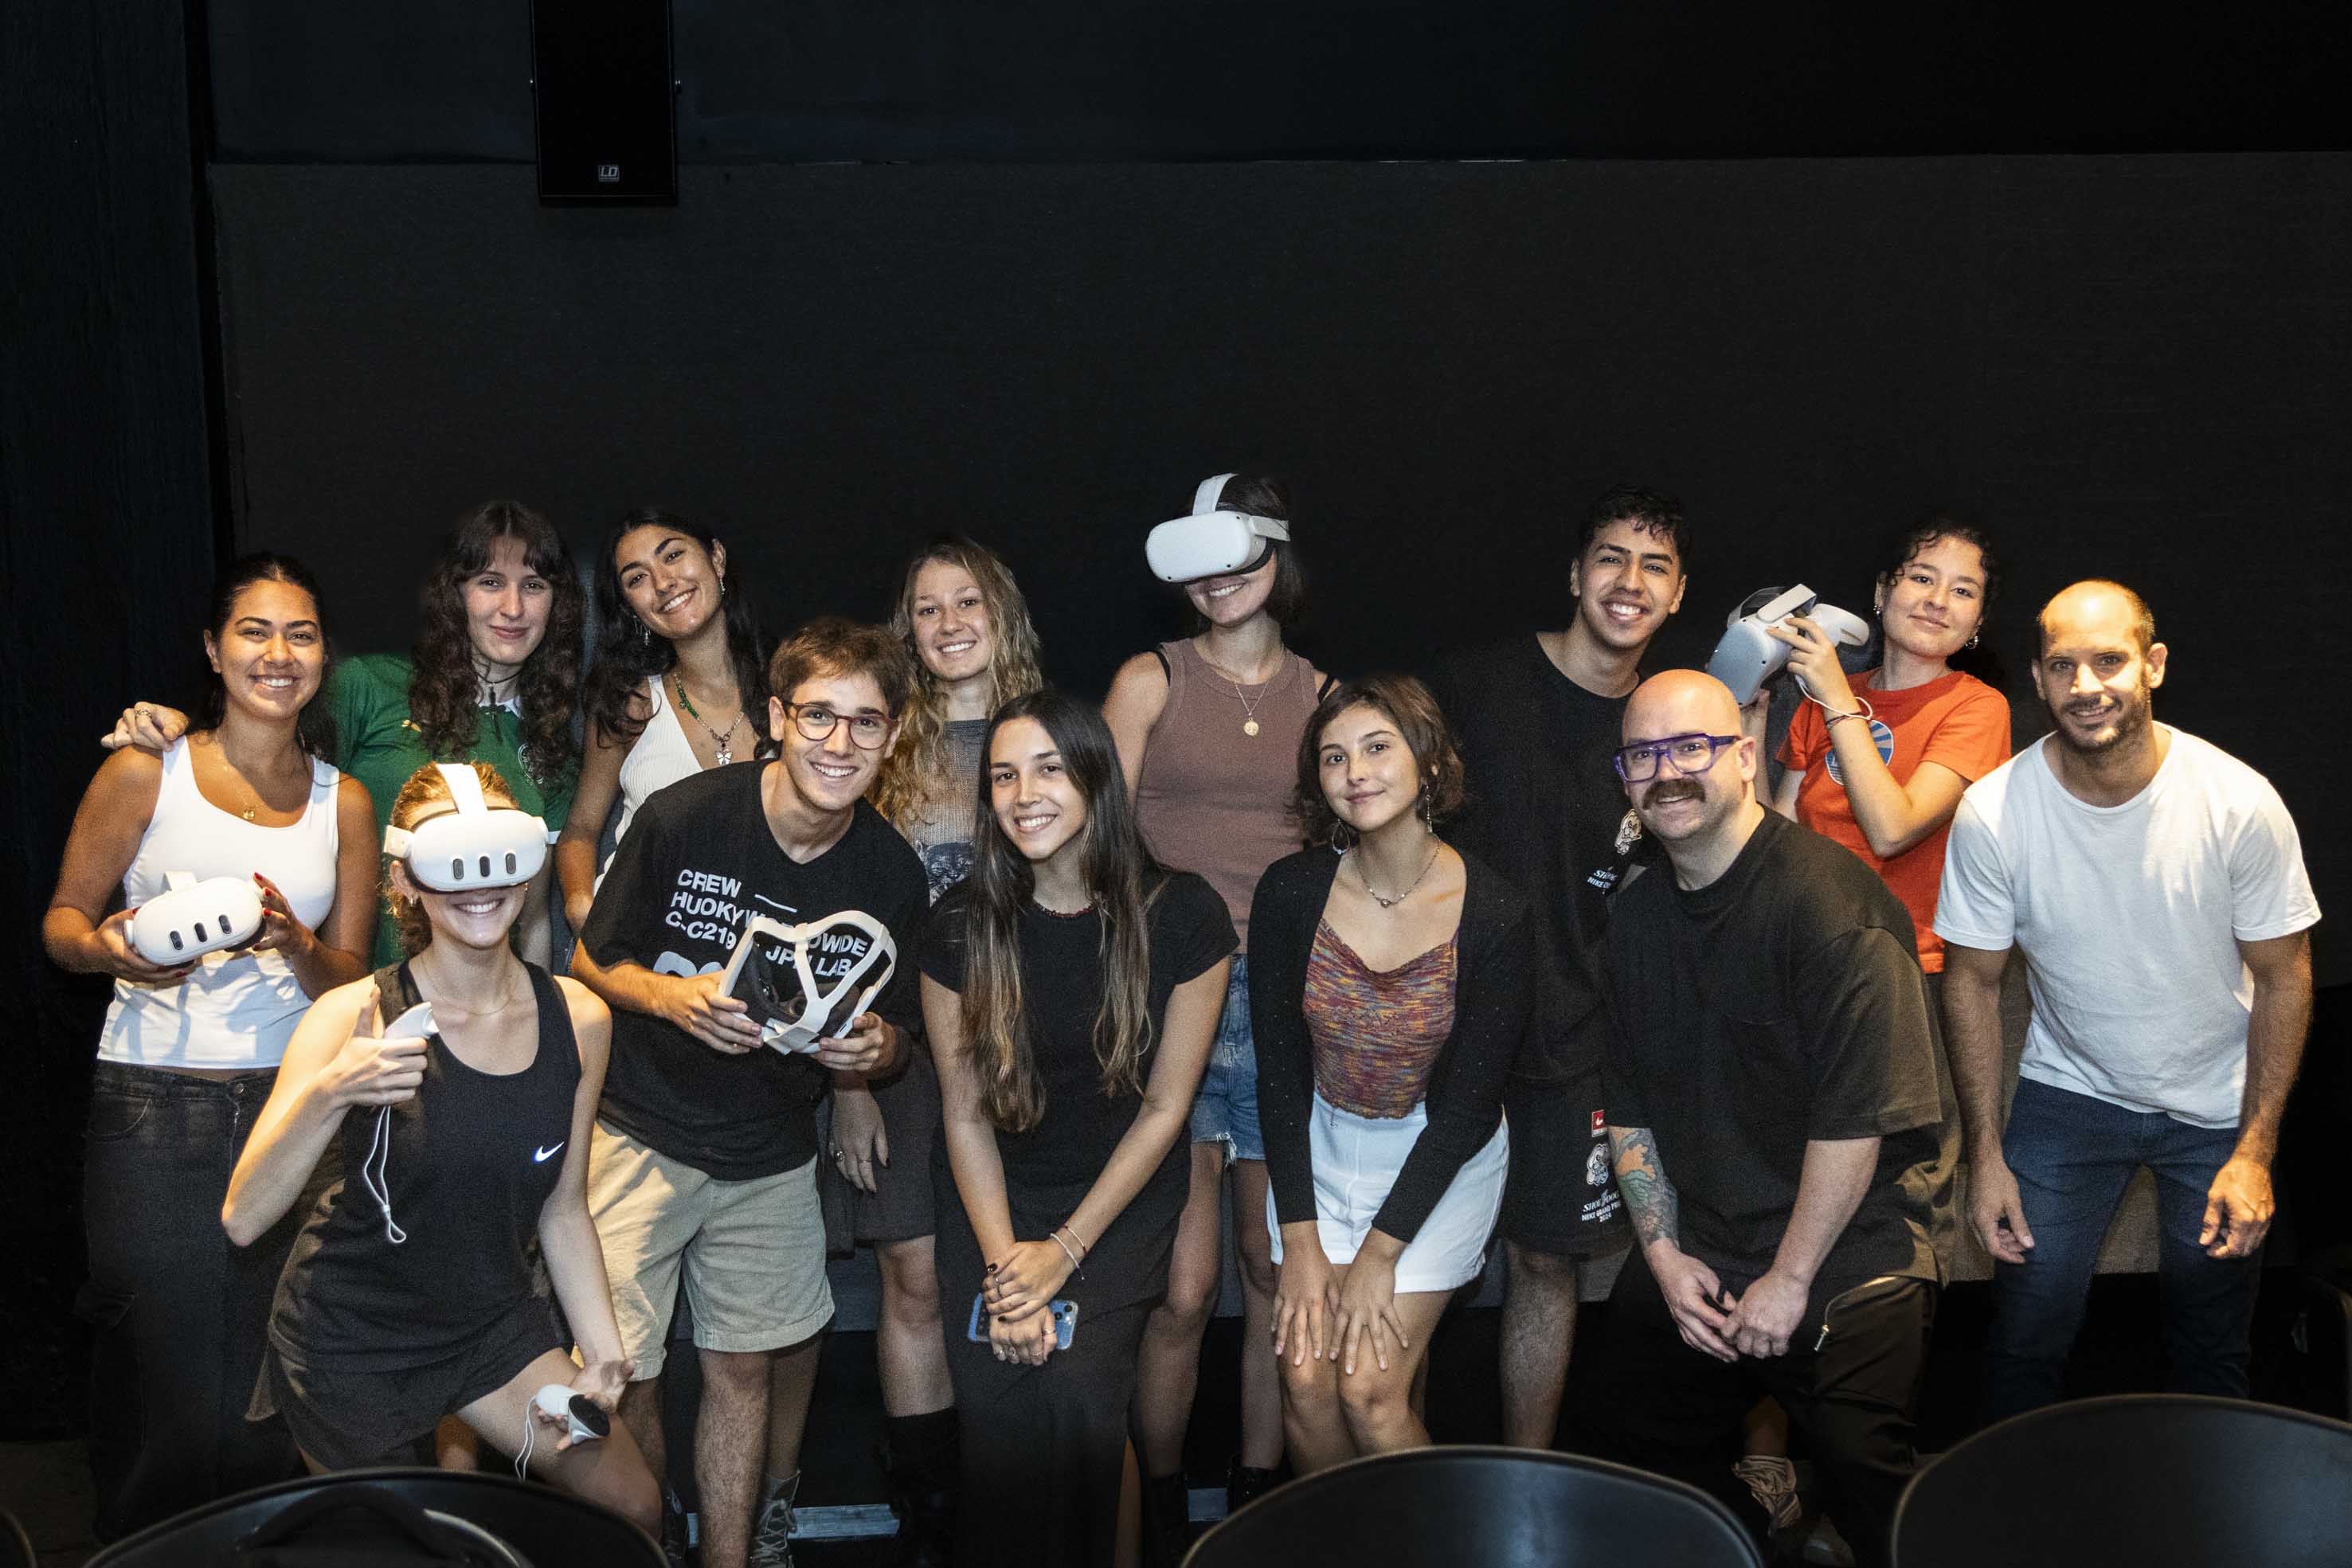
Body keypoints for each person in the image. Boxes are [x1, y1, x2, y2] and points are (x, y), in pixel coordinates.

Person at [220, 761, 659, 1534]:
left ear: (526, 865)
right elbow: (243, 1218)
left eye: (499, 853)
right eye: (451, 861)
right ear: (408, 881)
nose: (479, 881)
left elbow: (562, 1209)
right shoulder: (351, 1015)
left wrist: (602, 1351)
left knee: (630, 1500)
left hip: (487, 1325)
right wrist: (334, 1090)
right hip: (351, 1336)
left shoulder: (581, 1018)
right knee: (404, 1542)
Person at [573, 617, 929, 1568]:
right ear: (776, 716)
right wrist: (671, 996)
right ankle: (657, 1545)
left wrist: (876, 1047)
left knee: (743, 1369)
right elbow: (590, 957)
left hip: (771, 1151)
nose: (838, 743)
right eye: (818, 716)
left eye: (864, 723)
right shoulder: (686, 815)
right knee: (632, 1376)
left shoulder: (889, 872)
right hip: (639, 1132)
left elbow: (896, 1040)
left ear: (892, 736)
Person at [44, 555, 378, 1540]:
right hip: (155, 1102)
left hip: (297, 1102)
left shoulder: (344, 801)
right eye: (255, 631)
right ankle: (146, 1549)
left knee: (280, 1363)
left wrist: (294, 939)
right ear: (212, 649)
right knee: (166, 1368)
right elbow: (62, 924)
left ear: (323, 653)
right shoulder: (147, 770)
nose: (279, 654)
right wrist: (114, 950)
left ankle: (268, 1548)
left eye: (302, 634)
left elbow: (352, 977)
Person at [1936, 581, 2318, 1421]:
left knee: (2210, 1345)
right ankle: (2010, 1528)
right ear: (2036, 680)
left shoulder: (2236, 801)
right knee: (2024, 1336)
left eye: (2108, 660)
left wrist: (2255, 1150)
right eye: (2063, 665)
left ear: (2152, 665)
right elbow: (1969, 980)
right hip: (2069, 1099)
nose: (2086, 685)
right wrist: (1987, 1156)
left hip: (2216, 1105)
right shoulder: (1994, 813)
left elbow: (2287, 974)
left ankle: (2208, 1527)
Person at [1595, 671, 1947, 1568]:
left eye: (1691, 747)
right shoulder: (1632, 920)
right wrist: (1664, 1257)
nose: (1666, 771)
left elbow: (1853, 1122)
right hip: (1707, 1242)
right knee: (1635, 1451)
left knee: (1872, 1480)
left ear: (1745, 757)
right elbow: (1628, 1107)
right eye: (1643, 754)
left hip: (1846, 1244)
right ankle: (1755, 1533)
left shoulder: (1831, 907)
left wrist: (1789, 1280)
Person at [924, 689, 1235, 1566]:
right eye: (1004, 775)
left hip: (1116, 1201)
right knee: (1003, 1424)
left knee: (1080, 1404)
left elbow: (1168, 1107)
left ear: (1097, 778)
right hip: (995, 1199)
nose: (1025, 793)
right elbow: (962, 1110)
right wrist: (1004, 1268)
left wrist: (1062, 1250)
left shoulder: (1184, 915)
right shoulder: (957, 926)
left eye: (1050, 769)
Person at [1743, 514, 2007, 1539]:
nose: (1936, 600)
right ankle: (1767, 1467)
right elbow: (1770, 830)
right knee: (1770, 1195)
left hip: (1900, 974)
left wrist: (1838, 700)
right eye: (1919, 578)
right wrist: (1774, 721)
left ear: (1981, 617)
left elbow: (1895, 825)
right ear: (1882, 588)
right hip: (1789, 975)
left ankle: (1867, 1482)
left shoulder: (1974, 707)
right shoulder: (1819, 698)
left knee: (1875, 1210)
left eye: (1963, 589)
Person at [1422, 483, 1687, 1451]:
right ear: (1575, 574)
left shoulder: (1666, 726)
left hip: (1576, 1039)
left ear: (1678, 592)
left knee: (1545, 1264)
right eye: (1612, 558)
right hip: (1442, 1029)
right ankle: (1394, 1469)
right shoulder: (1475, 683)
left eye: (1654, 565)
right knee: (1410, 1263)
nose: (1630, 581)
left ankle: (1527, 1478)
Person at [1103, 472, 1324, 1551]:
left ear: (1281, 558)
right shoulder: (1150, 680)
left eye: (1242, 554)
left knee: (1272, 1269)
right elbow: (1096, 838)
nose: (1222, 578)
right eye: (1204, 560)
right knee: (1183, 1288)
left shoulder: (1326, 696)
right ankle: (1154, 1504)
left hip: (1287, 1002)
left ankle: (1257, 1497)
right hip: (1176, 994)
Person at [105, 500, 585, 968]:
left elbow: (536, 918)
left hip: (488, 1015)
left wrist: (540, 1019)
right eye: (490, 583)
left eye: (534, 585)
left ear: (556, 602)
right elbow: (259, 750)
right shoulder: (369, 688)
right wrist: (176, 730)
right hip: (365, 1001)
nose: (513, 607)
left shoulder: (552, 741)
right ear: (455, 594)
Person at [1251, 676, 1522, 1472]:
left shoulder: (1496, 911)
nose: (1354, 772)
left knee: (1368, 1392)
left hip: (1439, 1158)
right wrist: (1299, 1240)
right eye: (1333, 757)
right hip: (1321, 1145)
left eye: (1377, 747)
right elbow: (1278, 1072)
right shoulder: (1291, 891)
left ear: (1428, 763)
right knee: (1304, 1381)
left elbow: (1470, 1107)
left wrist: (1374, 1258)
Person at [850, 535, 1047, 1560]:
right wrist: (846, 1082)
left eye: (966, 600)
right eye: (926, 609)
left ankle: (1014, 1488)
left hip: (1027, 1049)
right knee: (916, 1280)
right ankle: (926, 1508)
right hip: (898, 1055)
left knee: (1011, 1269)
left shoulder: (1053, 737)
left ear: (1001, 610)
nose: (948, 623)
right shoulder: (880, 747)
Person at [559, 506, 772, 929]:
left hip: (757, 954)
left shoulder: (794, 694)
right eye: (636, 578)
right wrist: (583, 909)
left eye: (672, 555)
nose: (662, 583)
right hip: (636, 955)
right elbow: (580, 831)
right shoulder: (631, 704)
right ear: (629, 607)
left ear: (717, 559)